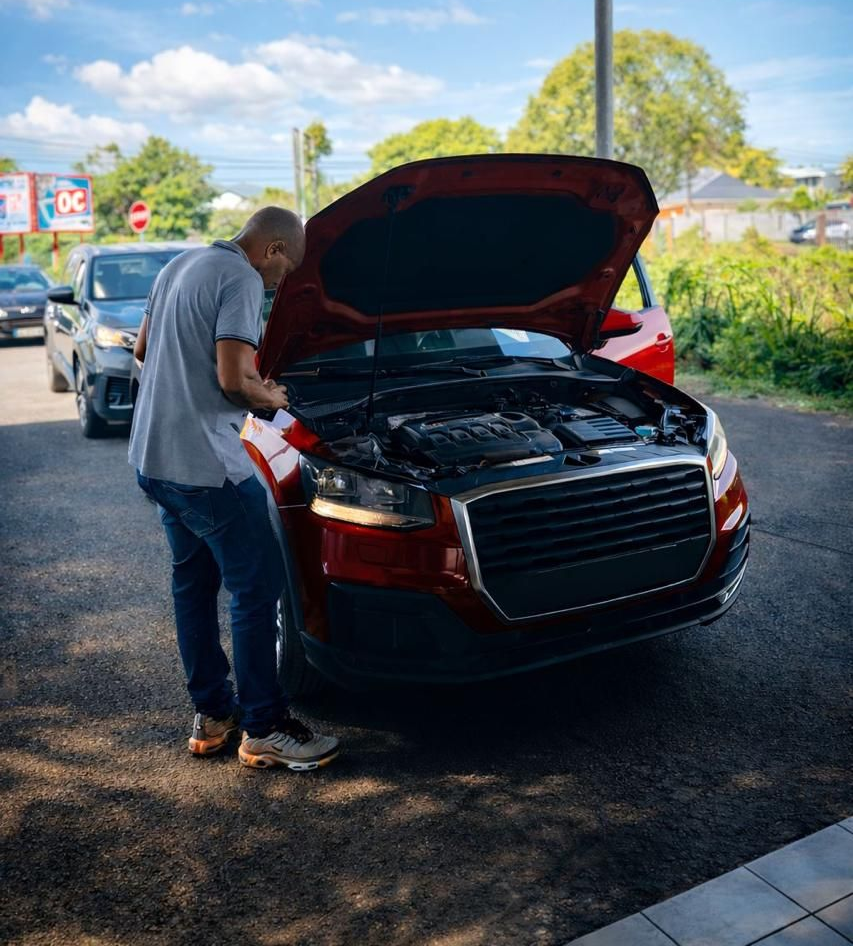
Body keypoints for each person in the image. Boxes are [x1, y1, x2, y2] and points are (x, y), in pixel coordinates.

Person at [129, 207, 339, 771]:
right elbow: (232, 379)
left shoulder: (179, 263)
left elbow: (143, 351)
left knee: (193, 585)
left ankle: (213, 716)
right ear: (272, 248)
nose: (280, 284)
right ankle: (266, 727)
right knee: (257, 586)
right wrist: (273, 396)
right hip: (206, 466)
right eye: (284, 269)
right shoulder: (242, 278)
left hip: (154, 458)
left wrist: (237, 381)